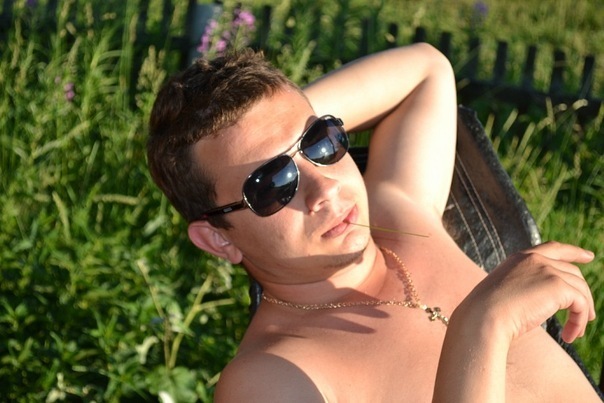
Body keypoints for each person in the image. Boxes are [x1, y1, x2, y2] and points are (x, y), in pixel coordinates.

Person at [147, 44, 600, 401]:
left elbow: (425, 69)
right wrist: (483, 327)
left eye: (320, 142)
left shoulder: (397, 213)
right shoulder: (271, 378)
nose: (326, 189)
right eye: (271, 184)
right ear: (217, 239)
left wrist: (274, 118)